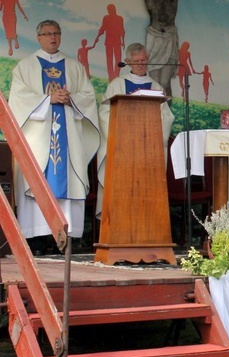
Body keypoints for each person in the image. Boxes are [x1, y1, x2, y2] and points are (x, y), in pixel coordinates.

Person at [9, 19, 100, 254]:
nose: (52, 37)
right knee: (37, 179)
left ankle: (65, 239)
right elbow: (18, 100)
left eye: (56, 33)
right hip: (38, 141)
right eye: (47, 34)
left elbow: (88, 96)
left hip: (68, 137)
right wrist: (48, 99)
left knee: (67, 181)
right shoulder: (25, 67)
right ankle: (38, 239)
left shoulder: (74, 67)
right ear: (39, 38)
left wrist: (73, 99)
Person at [97, 42, 175, 215]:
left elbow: (166, 117)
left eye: (143, 60)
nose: (140, 64)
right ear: (127, 62)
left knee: (146, 193)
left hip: (148, 151)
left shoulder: (156, 87)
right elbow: (104, 113)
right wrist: (121, 133)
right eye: (136, 61)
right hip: (122, 149)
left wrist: (153, 136)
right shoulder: (117, 85)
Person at [144, 0, 179, 97]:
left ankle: (165, 111)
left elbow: (171, 14)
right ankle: (156, 110)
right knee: (154, 83)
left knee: (165, 83)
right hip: (154, 35)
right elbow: (151, 8)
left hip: (169, 35)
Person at [94, 3, 125, 81]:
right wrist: (97, 37)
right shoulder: (106, 18)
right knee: (109, 59)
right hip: (109, 41)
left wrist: (123, 41)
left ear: (114, 10)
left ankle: (116, 75)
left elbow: (121, 30)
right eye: (109, 10)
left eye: (111, 10)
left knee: (118, 58)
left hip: (117, 41)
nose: (109, 11)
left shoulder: (119, 18)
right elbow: (102, 28)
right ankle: (111, 76)